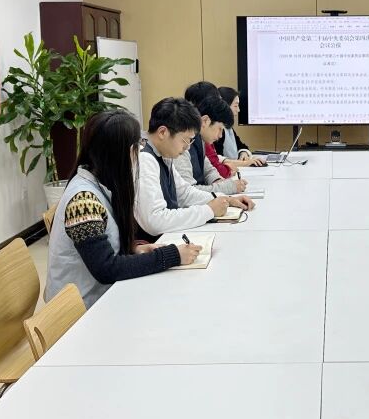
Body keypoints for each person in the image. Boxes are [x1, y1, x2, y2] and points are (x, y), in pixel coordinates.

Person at [46, 109, 204, 308]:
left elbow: (105, 246)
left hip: (101, 295)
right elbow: (107, 269)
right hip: (80, 309)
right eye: (138, 144)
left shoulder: (102, 182)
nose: (141, 149)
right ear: (122, 153)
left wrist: (134, 249)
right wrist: (173, 256)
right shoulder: (83, 202)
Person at [135, 98, 254, 238]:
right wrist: (209, 210)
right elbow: (155, 221)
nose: (187, 148)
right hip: (153, 242)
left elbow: (184, 193)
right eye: (185, 140)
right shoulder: (145, 159)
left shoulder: (163, 155)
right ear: (162, 133)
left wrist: (225, 199)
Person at [175, 93, 248, 195]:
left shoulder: (200, 140)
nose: (220, 136)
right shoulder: (183, 144)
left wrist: (218, 181)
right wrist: (228, 187)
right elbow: (187, 193)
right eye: (220, 129)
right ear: (205, 121)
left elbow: (208, 170)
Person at [214, 86, 267, 167]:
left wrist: (243, 153)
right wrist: (245, 163)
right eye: (235, 106)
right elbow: (217, 160)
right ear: (224, 106)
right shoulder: (217, 129)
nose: (238, 110)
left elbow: (242, 146)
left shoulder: (228, 127)